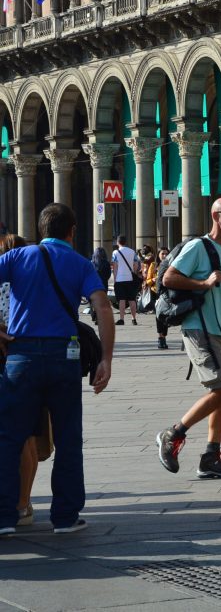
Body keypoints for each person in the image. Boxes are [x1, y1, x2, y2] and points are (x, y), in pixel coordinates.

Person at [0, 203, 115, 535]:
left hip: (20, 356)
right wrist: (106, 358)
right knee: (68, 438)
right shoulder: (80, 264)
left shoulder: (17, 257)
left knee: (9, 437)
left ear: (41, 230)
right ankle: (64, 517)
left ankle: (6, 516)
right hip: (64, 355)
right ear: (72, 230)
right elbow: (103, 308)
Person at [155, 198, 221, 479]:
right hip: (199, 328)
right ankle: (173, 434)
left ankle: (211, 457)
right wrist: (203, 283)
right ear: (216, 216)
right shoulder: (198, 247)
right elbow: (169, 278)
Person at [0, 233, 41, 529]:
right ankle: (23, 503)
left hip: (7, 359)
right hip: (28, 359)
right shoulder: (33, 283)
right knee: (27, 434)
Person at [111, 235, 141, 326]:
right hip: (130, 279)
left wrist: (115, 279)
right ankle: (134, 319)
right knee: (132, 299)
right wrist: (133, 272)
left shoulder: (115, 252)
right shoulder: (132, 252)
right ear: (125, 242)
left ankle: (121, 319)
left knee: (122, 300)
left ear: (117, 242)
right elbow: (136, 264)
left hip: (120, 279)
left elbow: (115, 266)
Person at [145, 248, 170, 349]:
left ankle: (164, 335)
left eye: (166, 254)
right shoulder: (153, 265)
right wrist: (154, 279)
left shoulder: (170, 265)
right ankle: (161, 339)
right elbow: (147, 281)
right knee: (159, 316)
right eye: (162, 253)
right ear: (158, 255)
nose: (164, 255)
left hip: (167, 293)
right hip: (156, 293)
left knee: (166, 317)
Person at [90, 248, 111, 325]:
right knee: (102, 302)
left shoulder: (92, 263)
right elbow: (108, 274)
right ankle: (98, 318)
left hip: (93, 284)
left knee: (93, 300)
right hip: (103, 284)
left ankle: (94, 313)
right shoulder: (106, 263)